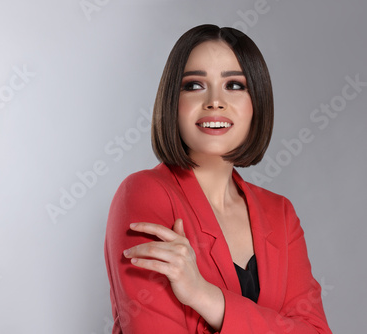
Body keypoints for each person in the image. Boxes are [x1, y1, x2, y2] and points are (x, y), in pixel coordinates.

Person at [104, 24, 332, 333]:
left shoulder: (281, 214)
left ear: (257, 104)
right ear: (173, 102)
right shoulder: (145, 194)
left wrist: (206, 297)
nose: (215, 101)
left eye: (235, 85)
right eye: (195, 85)